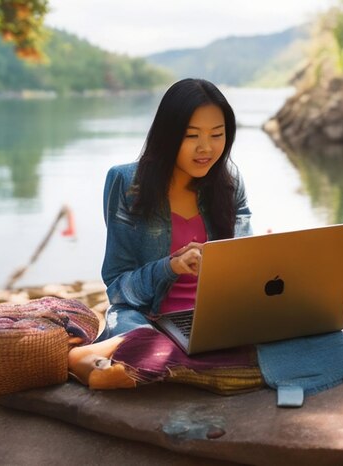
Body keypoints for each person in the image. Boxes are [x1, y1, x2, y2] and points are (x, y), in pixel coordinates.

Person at [68, 78, 253, 386]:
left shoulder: (229, 184)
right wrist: (169, 267)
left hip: (216, 319)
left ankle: (136, 366)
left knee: (339, 345)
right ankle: (108, 359)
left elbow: (248, 262)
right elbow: (118, 286)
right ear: (168, 135)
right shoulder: (127, 184)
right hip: (148, 318)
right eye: (191, 135)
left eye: (217, 135)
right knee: (147, 344)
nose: (206, 148)